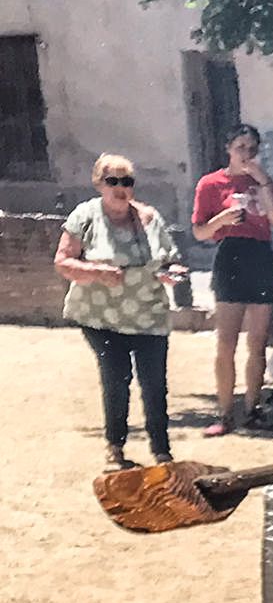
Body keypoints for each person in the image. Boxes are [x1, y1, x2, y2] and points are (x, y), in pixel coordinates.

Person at [52, 152, 185, 469]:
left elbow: (170, 262)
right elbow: (62, 262)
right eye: (113, 181)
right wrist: (97, 272)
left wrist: (172, 274)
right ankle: (116, 448)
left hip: (148, 314)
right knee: (117, 378)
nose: (121, 188)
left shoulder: (150, 219)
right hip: (102, 317)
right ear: (99, 183)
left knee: (155, 383)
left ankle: (162, 452)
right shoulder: (85, 216)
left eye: (127, 181)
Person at [190, 124, 273, 436]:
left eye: (252, 147)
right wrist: (221, 220)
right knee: (226, 342)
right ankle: (225, 412)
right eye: (241, 147)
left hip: (260, 256)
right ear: (228, 148)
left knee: (257, 342)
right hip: (230, 256)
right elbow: (200, 232)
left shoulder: (262, 181)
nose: (247, 153)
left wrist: (263, 181)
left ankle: (253, 408)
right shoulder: (210, 184)